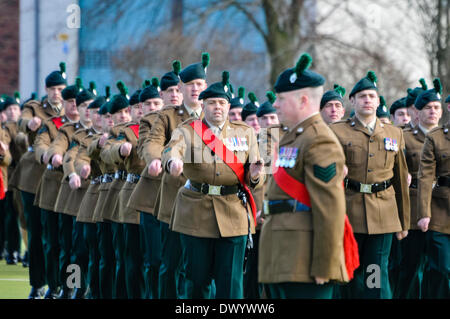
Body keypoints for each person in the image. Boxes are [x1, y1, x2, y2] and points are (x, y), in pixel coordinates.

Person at [257, 53, 353, 299]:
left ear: (302, 100)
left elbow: (330, 208)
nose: (275, 105)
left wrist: (324, 265)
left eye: (280, 99)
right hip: (284, 253)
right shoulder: (294, 136)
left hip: (306, 260)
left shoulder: (319, 139)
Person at [161, 71, 263, 298]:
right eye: (212, 103)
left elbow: (255, 177)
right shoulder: (187, 130)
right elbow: (171, 150)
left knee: (231, 284)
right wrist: (173, 162)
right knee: (197, 282)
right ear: (203, 105)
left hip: (233, 214)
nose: (218, 107)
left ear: (228, 106)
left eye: (222, 103)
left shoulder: (244, 133)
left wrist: (255, 174)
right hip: (195, 213)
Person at [330, 70, 410, 299]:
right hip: (348, 212)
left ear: (378, 101)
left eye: (371, 96)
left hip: (383, 216)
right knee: (349, 274)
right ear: (352, 101)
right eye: (362, 96)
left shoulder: (394, 133)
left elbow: (400, 179)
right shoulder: (337, 131)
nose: (367, 100)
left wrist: (404, 222)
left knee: (375, 275)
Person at [146, 53, 209, 298]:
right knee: (170, 264)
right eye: (190, 85)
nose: (195, 89)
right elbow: (154, 142)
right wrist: (156, 159)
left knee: (200, 268)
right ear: (181, 87)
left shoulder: (213, 115)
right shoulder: (168, 116)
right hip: (174, 199)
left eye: (199, 85)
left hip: (205, 202)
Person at [15, 62, 66, 298]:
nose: (57, 93)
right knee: (36, 234)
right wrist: (30, 123)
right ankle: (38, 283)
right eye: (53, 89)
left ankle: (57, 285)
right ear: (47, 90)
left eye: (61, 88)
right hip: (34, 180)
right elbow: (21, 121)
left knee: (55, 236)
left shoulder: (69, 112)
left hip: (58, 182)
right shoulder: (35, 108)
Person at [128, 64, 180, 299]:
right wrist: (159, 158)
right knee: (156, 259)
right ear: (162, 94)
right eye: (170, 91)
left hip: (184, 196)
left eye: (179, 89)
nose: (175, 94)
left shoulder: (196, 119)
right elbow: (147, 146)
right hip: (155, 195)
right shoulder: (150, 120)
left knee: (183, 260)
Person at [392, 78, 443, 299]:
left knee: (439, 269)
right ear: (416, 111)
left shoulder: (445, 137)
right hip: (413, 212)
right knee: (410, 268)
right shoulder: (403, 137)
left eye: (436, 108)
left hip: (441, 210)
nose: (432, 112)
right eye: (427, 108)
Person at [74, 87, 110, 299]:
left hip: (110, 198)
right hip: (87, 196)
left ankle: (96, 291)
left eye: (102, 113)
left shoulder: (118, 136)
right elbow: (77, 157)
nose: (97, 116)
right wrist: (80, 169)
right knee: (80, 249)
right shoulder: (85, 137)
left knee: (103, 253)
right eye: (95, 112)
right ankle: (76, 287)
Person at [100, 81, 134, 299]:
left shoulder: (138, 131)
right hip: (114, 195)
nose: (123, 116)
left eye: (126, 111)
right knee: (114, 255)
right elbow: (100, 150)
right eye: (118, 113)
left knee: (137, 258)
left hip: (137, 195)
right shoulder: (111, 136)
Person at [416, 78, 449, 299]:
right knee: (443, 269)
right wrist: (424, 213)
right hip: (441, 211)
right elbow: (426, 176)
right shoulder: (436, 138)